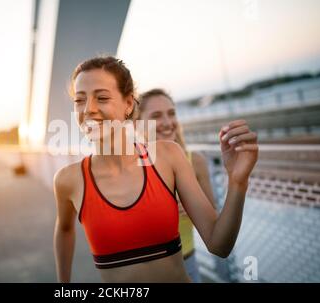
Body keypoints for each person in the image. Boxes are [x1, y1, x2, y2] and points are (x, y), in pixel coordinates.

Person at [53, 56, 259, 282]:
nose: (88, 109)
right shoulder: (68, 180)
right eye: (79, 100)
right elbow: (64, 229)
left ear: (129, 104)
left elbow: (219, 244)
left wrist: (237, 181)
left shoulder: (168, 156)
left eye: (101, 97)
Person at [138, 88, 217, 282]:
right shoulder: (130, 166)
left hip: (188, 264)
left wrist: (191, 206)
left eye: (171, 113)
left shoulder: (195, 161)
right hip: (146, 272)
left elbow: (214, 219)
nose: (167, 122)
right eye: (156, 116)